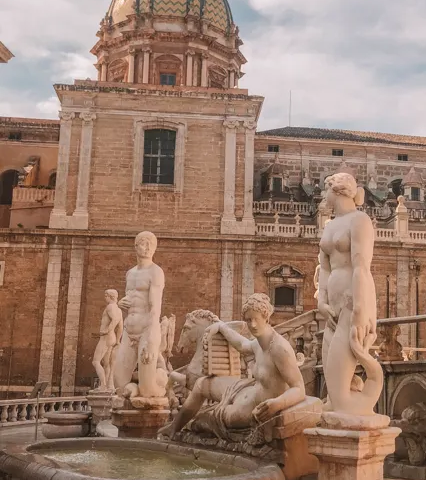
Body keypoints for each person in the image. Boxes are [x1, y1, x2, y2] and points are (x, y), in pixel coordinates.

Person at [160, 293, 306, 440]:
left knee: (202, 420)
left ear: (266, 318)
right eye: (248, 320)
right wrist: (221, 326)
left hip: (248, 411)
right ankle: (174, 427)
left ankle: (190, 430)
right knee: (200, 384)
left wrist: (277, 404)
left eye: (256, 319)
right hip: (244, 391)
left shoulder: (280, 349)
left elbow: (299, 388)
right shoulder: (258, 344)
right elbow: (242, 344)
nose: (252, 325)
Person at [317, 172, 385, 417]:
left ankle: (354, 413)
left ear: (337, 190)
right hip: (333, 306)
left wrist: (359, 311)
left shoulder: (360, 220)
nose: (323, 195)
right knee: (332, 386)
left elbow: (361, 267)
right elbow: (324, 268)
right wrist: (321, 300)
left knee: (339, 398)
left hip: (353, 300)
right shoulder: (330, 226)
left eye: (326, 189)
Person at [111, 231, 166, 401]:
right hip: (129, 331)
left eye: (152, 244)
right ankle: (135, 387)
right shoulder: (130, 273)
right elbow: (132, 300)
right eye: (144, 243)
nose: (148, 247)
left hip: (147, 330)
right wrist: (120, 303)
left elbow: (155, 307)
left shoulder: (156, 272)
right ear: (136, 246)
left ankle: (161, 378)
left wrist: (150, 339)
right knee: (119, 384)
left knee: (148, 391)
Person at [90, 289, 122, 390]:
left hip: (106, 337)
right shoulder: (118, 310)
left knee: (95, 361)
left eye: (106, 296)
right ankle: (108, 386)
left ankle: (103, 386)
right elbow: (120, 327)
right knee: (106, 363)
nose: (105, 298)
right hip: (112, 338)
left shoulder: (110, 307)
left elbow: (115, 320)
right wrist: (117, 340)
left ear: (110, 296)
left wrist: (107, 330)